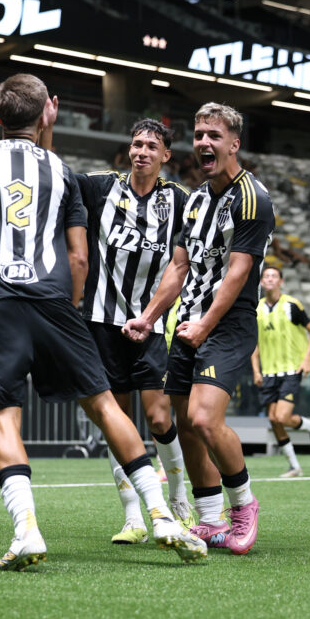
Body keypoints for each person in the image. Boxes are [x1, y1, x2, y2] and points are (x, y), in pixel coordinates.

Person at [0, 73, 205, 570]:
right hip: (55, 302)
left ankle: (26, 529)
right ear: (48, 112)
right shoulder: (63, 172)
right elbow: (80, 258)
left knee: (3, 415)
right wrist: (71, 304)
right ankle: (163, 515)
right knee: (107, 406)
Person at [124, 101, 274, 556]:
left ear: (234, 143)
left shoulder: (253, 197)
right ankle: (209, 520)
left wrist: (206, 324)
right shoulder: (195, 201)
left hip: (227, 325)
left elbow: (239, 272)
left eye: (214, 135)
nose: (204, 143)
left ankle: (244, 506)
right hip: (187, 323)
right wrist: (149, 318)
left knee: (206, 419)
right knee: (184, 424)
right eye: (199, 134)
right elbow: (179, 267)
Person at [73, 118, 196, 542]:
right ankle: (132, 516)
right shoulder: (101, 187)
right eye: (136, 143)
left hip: (153, 324)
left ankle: (179, 497)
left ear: (166, 156)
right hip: (101, 322)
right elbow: (52, 173)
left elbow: (180, 268)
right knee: (117, 422)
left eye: (151, 146)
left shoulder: (181, 200)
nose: (141, 151)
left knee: (158, 415)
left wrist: (149, 315)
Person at [250, 266, 310, 478]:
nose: (270, 279)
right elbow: (255, 344)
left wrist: (307, 359)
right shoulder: (257, 309)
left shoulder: (292, 305)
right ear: (261, 282)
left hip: (292, 368)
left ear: (281, 281)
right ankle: (294, 466)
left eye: (274, 276)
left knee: (281, 416)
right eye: (266, 276)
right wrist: (256, 370)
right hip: (269, 371)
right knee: (274, 420)